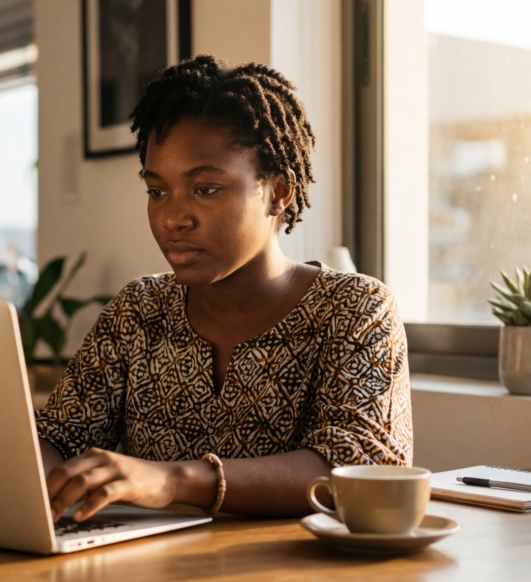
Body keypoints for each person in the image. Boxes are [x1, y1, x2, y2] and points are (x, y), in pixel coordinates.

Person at [35, 55, 411, 523]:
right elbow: (54, 437)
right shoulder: (139, 310)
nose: (173, 217)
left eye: (206, 189)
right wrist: (39, 492)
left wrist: (173, 480)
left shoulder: (355, 309)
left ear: (278, 192)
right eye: (157, 192)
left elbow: (362, 465)